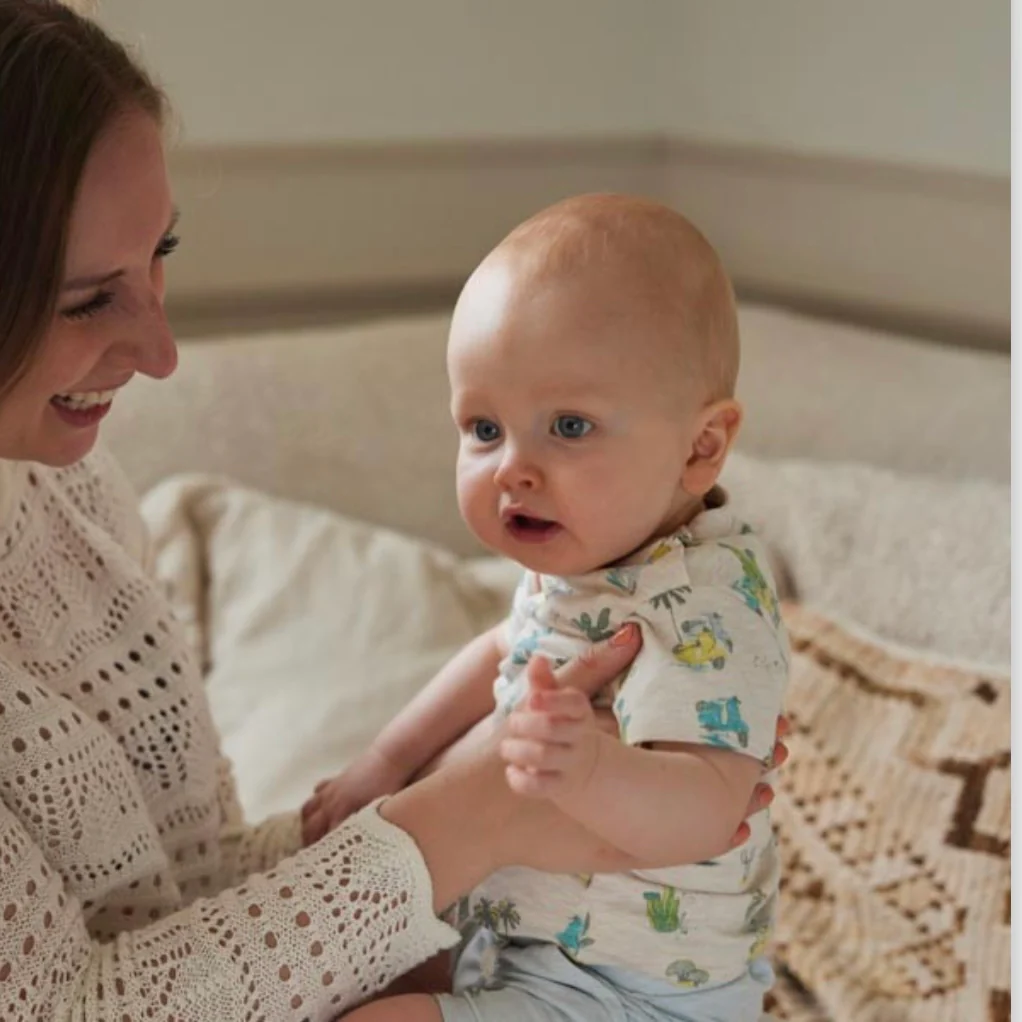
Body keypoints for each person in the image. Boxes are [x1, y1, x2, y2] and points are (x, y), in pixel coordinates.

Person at [0, 5, 788, 1022]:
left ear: (702, 445)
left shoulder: (63, 485)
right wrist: (469, 809)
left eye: (161, 250)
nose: (161, 351)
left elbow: (177, 893)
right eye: (86, 298)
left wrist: (410, 799)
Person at [311, 195, 788, 1022]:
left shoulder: (705, 603)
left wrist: (589, 769)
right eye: (483, 427)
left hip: (635, 993)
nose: (512, 468)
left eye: (569, 425)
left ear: (701, 446)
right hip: (517, 947)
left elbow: (714, 811)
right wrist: (385, 762)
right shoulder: (590, 564)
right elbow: (503, 649)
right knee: (339, 976)